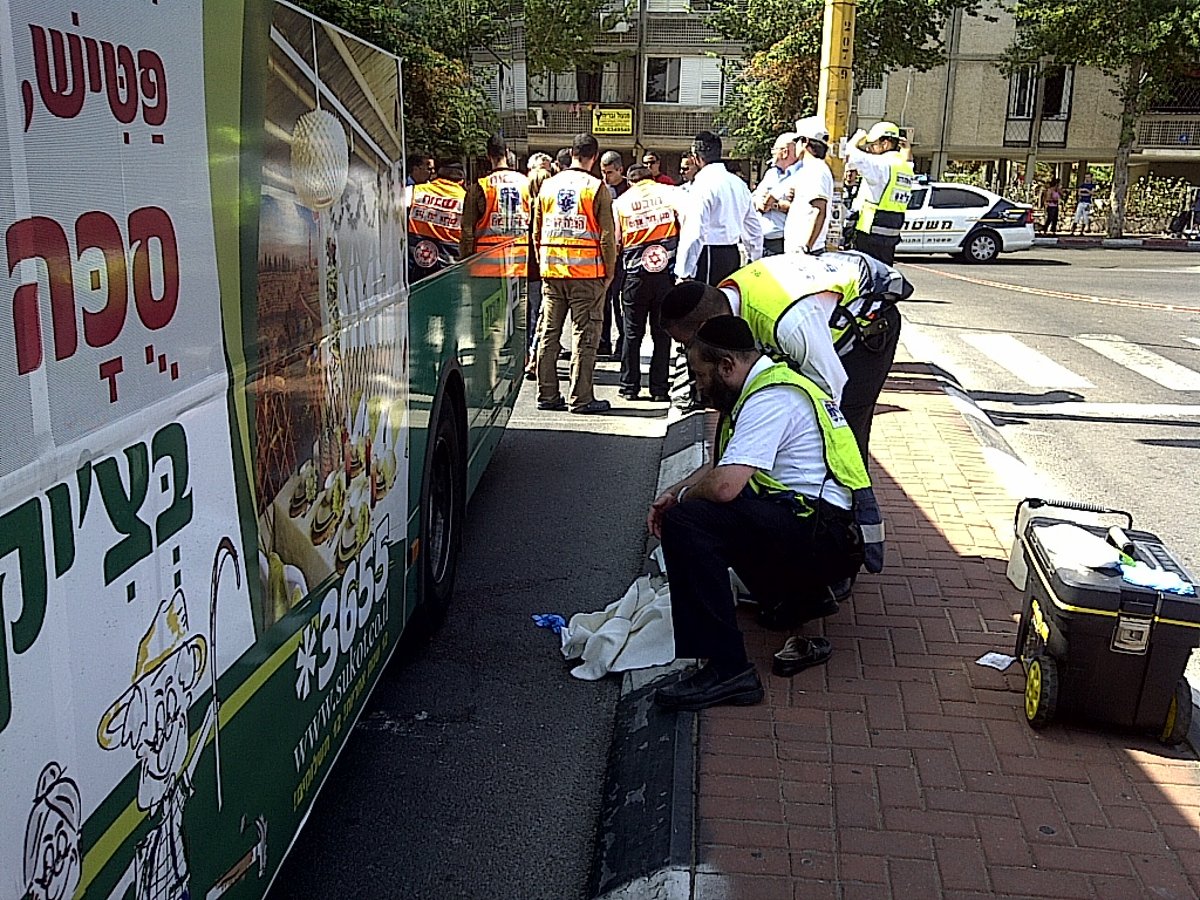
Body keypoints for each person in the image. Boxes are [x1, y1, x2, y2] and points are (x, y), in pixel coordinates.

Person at [647, 316, 869, 709]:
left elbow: (724, 486)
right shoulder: (764, 386)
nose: (699, 387)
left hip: (823, 538)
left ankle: (727, 669)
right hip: (820, 528)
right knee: (713, 512)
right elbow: (724, 466)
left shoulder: (770, 398)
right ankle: (798, 601)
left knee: (689, 523)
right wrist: (675, 490)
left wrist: (679, 505)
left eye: (701, 376)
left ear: (727, 366)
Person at [661, 250, 912, 466]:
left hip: (868, 325)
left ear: (705, 324)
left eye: (688, 344)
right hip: (817, 313)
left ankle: (857, 513)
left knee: (845, 430)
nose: (689, 353)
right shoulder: (728, 295)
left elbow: (830, 390)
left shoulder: (787, 322)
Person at [532, 132, 618, 414]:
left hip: (552, 271)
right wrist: (609, 272)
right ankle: (580, 399)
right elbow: (607, 235)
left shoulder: (547, 186)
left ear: (571, 152)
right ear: (594, 157)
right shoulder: (596, 188)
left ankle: (547, 394)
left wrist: (542, 261)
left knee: (549, 332)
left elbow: (536, 230)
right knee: (585, 335)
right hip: (586, 275)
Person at [613, 163, 680, 401]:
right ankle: (659, 389)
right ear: (651, 178)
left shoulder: (621, 203)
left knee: (632, 333)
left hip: (635, 276)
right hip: (666, 275)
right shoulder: (669, 193)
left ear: (630, 181)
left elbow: (617, 241)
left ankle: (629, 387)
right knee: (661, 334)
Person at [674, 130, 763, 285]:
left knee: (707, 306)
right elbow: (753, 227)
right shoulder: (738, 184)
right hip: (733, 254)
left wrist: (684, 272)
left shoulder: (702, 185)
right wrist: (755, 258)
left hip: (709, 255)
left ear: (695, 158)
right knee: (728, 303)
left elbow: (695, 232)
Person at [460, 133, 531, 280]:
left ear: (488, 156)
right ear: (507, 152)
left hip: (485, 269)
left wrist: (466, 260)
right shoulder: (526, 183)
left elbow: (467, 231)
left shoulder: (479, 187)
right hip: (519, 266)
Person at [845, 121, 914, 265]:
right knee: (882, 275)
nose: (869, 149)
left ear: (886, 143)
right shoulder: (905, 167)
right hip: (890, 233)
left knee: (867, 276)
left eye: (872, 145)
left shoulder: (881, 164)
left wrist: (856, 139)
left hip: (870, 231)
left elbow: (850, 154)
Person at [523, 153, 555, 379]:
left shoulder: (519, 203)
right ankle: (533, 358)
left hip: (516, 268)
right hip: (540, 269)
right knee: (539, 317)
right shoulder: (547, 205)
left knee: (526, 317)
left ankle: (528, 356)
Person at [407, 162, 466, 281]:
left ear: (437, 177)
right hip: (451, 270)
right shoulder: (465, 199)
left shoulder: (414, 191)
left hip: (417, 267)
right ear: (461, 181)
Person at [784, 117, 834, 255]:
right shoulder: (811, 169)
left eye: (797, 141)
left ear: (805, 141)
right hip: (801, 250)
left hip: (805, 252)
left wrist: (807, 247)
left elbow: (818, 210)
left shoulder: (815, 169)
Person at [599, 150, 631, 359]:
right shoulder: (601, 189)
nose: (606, 177)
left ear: (620, 170)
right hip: (606, 253)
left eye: (609, 173)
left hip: (625, 253)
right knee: (603, 301)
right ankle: (604, 342)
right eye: (603, 172)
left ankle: (623, 342)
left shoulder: (629, 191)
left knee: (620, 303)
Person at [752, 133, 801, 256]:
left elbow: (804, 208)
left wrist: (775, 205)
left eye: (774, 150)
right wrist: (759, 201)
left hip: (780, 243)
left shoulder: (800, 175)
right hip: (760, 240)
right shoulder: (771, 173)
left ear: (784, 152)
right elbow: (755, 197)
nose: (772, 154)